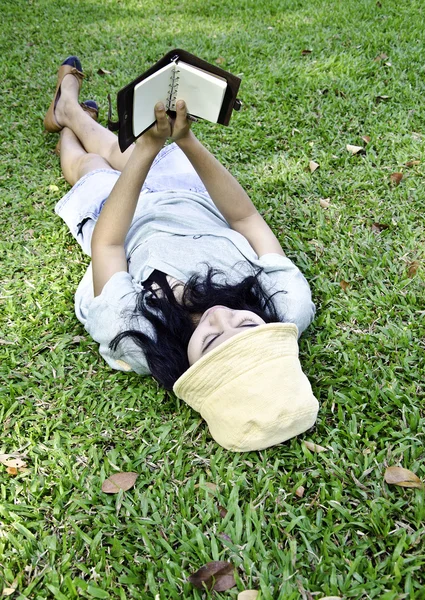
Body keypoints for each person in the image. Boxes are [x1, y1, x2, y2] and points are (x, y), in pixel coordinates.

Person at [44, 56, 319, 452]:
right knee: (112, 146)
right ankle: (70, 111)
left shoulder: (138, 337)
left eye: (210, 341)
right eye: (245, 327)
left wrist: (147, 151)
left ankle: (67, 116)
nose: (220, 318)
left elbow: (109, 246)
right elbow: (245, 217)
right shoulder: (286, 303)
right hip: (189, 198)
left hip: (120, 219)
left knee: (91, 164)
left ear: (190, 368)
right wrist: (185, 140)